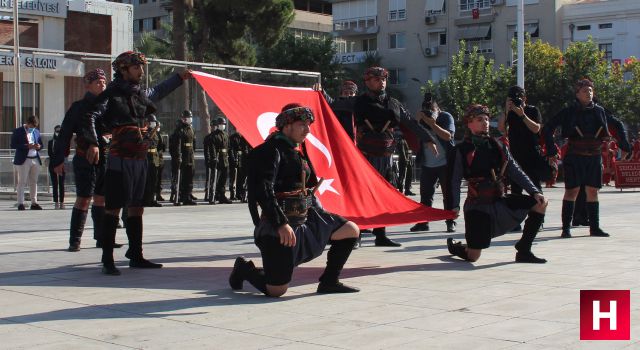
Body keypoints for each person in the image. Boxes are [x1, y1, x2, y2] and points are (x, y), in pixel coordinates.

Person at [229, 104, 360, 297]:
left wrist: (318, 211)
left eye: (309, 125)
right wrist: (280, 223)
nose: (307, 130)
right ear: (286, 125)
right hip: (278, 225)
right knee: (276, 290)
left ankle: (329, 281)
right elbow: (263, 191)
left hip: (306, 218)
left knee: (350, 230)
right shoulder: (268, 151)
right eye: (302, 125)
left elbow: (308, 187)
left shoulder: (297, 152)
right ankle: (244, 269)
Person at [54, 66, 188, 252]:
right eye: (97, 82)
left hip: (109, 156)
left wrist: (178, 78)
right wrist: (59, 159)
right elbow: (66, 133)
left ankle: (102, 239)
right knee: (84, 198)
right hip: (86, 158)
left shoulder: (113, 100)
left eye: (103, 82)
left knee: (102, 199)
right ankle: (75, 240)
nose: (101, 84)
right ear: (88, 86)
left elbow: (155, 92)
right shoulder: (80, 107)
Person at [80, 51, 190, 275]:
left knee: (137, 207)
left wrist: (180, 78)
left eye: (141, 67)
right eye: (136, 67)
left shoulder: (140, 93)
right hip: (119, 159)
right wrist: (92, 143)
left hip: (140, 158)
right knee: (113, 208)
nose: (141, 71)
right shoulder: (111, 94)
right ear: (123, 69)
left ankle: (136, 255)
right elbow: (90, 116)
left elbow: (158, 91)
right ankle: (107, 258)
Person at [446, 105, 548, 264]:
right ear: (469, 123)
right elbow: (453, 180)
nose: (485, 122)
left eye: (486, 119)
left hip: (500, 202)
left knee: (540, 203)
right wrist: (454, 206)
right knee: (473, 256)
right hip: (477, 206)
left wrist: (534, 191)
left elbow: (515, 170)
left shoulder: (498, 145)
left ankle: (524, 249)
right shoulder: (461, 149)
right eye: (479, 119)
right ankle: (457, 248)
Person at [353, 66, 437, 247]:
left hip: (387, 157)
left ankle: (381, 235)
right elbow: (333, 108)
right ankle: (356, 235)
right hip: (364, 157)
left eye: (383, 79)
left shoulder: (393, 103)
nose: (381, 82)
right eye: (376, 79)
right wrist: (319, 95)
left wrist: (428, 139)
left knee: (384, 195)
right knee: (362, 195)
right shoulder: (357, 102)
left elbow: (411, 123)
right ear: (367, 82)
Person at [542, 79, 630, 238]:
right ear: (577, 94)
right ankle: (566, 228)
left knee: (593, 191)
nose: (588, 93)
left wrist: (624, 145)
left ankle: (594, 228)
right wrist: (551, 148)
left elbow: (618, 125)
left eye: (590, 90)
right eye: (584, 91)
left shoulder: (599, 111)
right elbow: (548, 128)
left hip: (594, 157)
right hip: (575, 156)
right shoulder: (568, 112)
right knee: (571, 191)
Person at [409, 94, 456, 233]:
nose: (429, 112)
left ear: (438, 109)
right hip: (427, 164)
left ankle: (450, 221)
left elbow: (448, 136)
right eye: (426, 110)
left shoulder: (445, 117)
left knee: (448, 195)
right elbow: (411, 135)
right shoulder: (422, 119)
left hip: (445, 163)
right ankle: (423, 222)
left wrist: (432, 123)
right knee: (425, 196)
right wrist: (417, 121)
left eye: (432, 109)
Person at [498, 86, 544, 195]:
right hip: (515, 154)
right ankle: (517, 211)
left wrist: (522, 115)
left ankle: (537, 209)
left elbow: (536, 129)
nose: (517, 100)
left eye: (520, 98)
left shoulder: (532, 110)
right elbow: (501, 129)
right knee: (516, 189)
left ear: (525, 98)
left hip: (531, 154)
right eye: (513, 98)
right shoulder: (509, 112)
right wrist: (506, 111)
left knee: (535, 187)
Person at [11, 115, 44, 211]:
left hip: (35, 159)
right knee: (22, 181)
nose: (33, 129)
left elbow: (41, 144)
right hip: (23, 159)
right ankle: (20, 203)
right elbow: (13, 145)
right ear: (27, 123)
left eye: (35, 127)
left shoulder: (36, 132)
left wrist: (38, 146)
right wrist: (27, 146)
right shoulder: (18, 131)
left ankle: (34, 202)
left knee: (33, 181)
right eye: (31, 126)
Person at [170, 110, 197, 206]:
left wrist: (193, 153)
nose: (189, 119)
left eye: (190, 117)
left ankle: (187, 196)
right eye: (187, 117)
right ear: (183, 119)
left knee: (190, 177)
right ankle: (181, 196)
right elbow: (177, 144)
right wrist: (178, 156)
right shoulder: (180, 130)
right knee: (182, 178)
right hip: (183, 155)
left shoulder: (191, 129)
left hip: (190, 156)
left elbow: (193, 143)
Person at [142, 115, 164, 207]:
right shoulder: (144, 131)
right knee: (147, 180)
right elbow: (148, 139)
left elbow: (159, 146)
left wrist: (159, 159)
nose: (154, 123)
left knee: (154, 179)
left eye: (154, 122)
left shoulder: (156, 133)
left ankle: (152, 199)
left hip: (155, 157)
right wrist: (155, 129)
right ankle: (146, 199)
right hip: (147, 156)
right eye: (152, 122)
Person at [210, 117, 232, 204]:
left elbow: (229, 148)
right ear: (218, 125)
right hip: (218, 160)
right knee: (216, 179)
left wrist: (230, 158)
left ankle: (222, 195)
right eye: (221, 124)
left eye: (224, 124)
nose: (222, 126)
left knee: (223, 179)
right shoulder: (214, 136)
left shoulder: (226, 135)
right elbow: (213, 149)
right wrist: (214, 158)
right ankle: (213, 195)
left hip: (225, 160)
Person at [229, 131, 251, 202]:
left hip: (244, 159)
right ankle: (236, 194)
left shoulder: (245, 137)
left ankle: (240, 194)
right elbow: (232, 149)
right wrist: (234, 158)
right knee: (237, 177)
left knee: (242, 177)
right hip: (240, 159)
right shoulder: (234, 138)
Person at [47, 125, 66, 209]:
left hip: (61, 165)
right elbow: (50, 154)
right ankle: (56, 202)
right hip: (52, 165)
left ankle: (62, 202)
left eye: (59, 131)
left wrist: (60, 164)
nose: (58, 133)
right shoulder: (51, 142)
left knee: (61, 184)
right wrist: (54, 164)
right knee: (55, 184)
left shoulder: (64, 141)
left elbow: (64, 154)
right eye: (56, 131)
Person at [203, 120, 217, 204]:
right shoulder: (208, 137)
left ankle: (214, 194)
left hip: (216, 160)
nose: (214, 127)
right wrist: (208, 160)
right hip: (210, 160)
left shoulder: (217, 136)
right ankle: (207, 194)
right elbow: (206, 150)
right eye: (212, 126)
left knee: (215, 179)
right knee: (209, 179)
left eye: (215, 126)